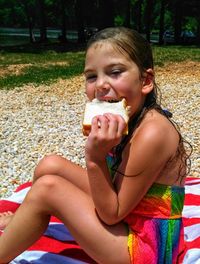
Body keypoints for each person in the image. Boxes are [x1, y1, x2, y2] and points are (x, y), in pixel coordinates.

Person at [0, 27, 191, 264]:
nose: (100, 84)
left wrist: (95, 158)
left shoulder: (153, 132)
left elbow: (112, 214)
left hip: (147, 249)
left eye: (115, 72)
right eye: (92, 76)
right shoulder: (128, 118)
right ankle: (22, 223)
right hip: (127, 217)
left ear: (146, 81)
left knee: (48, 189)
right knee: (50, 165)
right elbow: (114, 188)